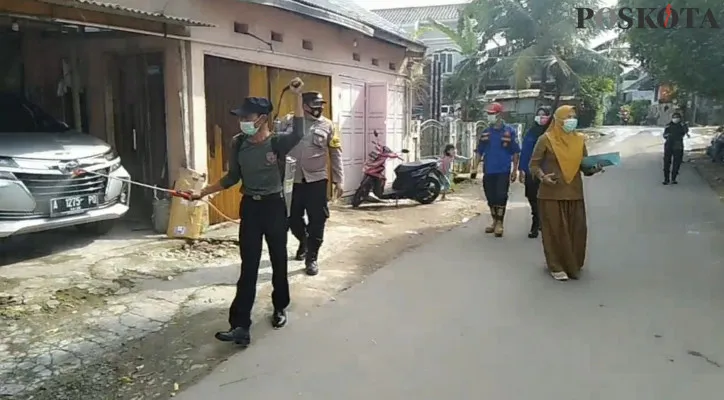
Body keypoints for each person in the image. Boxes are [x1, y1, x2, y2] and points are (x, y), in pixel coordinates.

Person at [188, 78, 306, 346]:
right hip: (250, 208)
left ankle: (279, 306)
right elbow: (232, 178)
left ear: (262, 118)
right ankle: (240, 325)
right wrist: (202, 192)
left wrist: (297, 97)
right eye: (241, 117)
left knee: (278, 261)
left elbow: (299, 133)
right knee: (249, 267)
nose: (242, 120)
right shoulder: (238, 143)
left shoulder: (276, 143)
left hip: (274, 207)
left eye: (247, 116)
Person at [529, 105, 603, 281]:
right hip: (551, 194)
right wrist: (543, 177)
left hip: (574, 193)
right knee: (554, 232)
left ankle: (573, 264)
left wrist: (595, 167)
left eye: (574, 116)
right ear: (559, 120)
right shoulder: (545, 139)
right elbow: (534, 165)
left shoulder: (579, 140)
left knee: (576, 231)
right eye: (568, 116)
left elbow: (585, 167)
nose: (572, 120)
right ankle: (556, 266)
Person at [285, 91, 344, 276]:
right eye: (315, 105)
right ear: (304, 106)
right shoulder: (287, 122)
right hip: (291, 180)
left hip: (316, 180)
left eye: (321, 105)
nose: (319, 108)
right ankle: (304, 240)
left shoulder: (329, 126)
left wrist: (339, 180)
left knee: (318, 220)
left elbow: (336, 153)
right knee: (291, 218)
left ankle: (312, 258)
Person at [475, 102, 520, 237]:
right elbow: (479, 151)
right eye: (488, 114)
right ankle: (494, 221)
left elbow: (516, 152)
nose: (489, 116)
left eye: (492, 114)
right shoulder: (486, 132)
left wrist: (515, 170)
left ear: (499, 114)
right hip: (488, 170)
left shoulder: (509, 131)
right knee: (491, 197)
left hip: (503, 169)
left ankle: (500, 223)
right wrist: (474, 167)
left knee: (501, 196)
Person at [518, 106, 552, 238]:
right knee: (532, 197)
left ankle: (541, 222)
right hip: (531, 171)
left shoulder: (550, 133)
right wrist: (521, 169)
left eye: (544, 115)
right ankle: (536, 221)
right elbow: (525, 152)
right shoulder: (531, 132)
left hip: (547, 171)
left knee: (544, 198)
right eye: (539, 115)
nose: (541, 118)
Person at [662, 111, 690, 185]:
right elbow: (664, 135)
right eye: (674, 117)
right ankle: (666, 179)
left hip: (678, 146)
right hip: (669, 145)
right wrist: (669, 136)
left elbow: (686, 131)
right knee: (666, 162)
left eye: (677, 117)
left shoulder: (682, 125)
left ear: (680, 119)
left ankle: (673, 178)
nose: (675, 119)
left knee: (677, 163)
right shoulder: (668, 125)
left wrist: (684, 125)